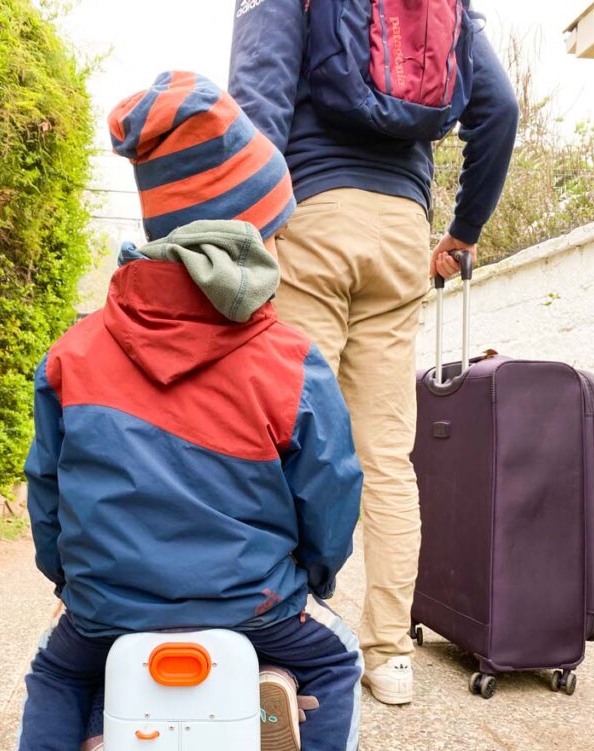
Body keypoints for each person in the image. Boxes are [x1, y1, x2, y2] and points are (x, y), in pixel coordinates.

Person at [0, 72, 402, 751]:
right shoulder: (290, 358)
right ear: (255, 234)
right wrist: (314, 577)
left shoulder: (74, 353)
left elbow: (46, 493)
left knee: (54, 671)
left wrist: (71, 583)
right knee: (332, 657)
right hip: (254, 603)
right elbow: (332, 493)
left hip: (109, 605)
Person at [229, 0, 519, 705]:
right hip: (400, 230)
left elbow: (256, 93)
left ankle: (277, 634)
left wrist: (253, 223)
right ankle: (388, 655)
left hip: (309, 217)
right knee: (388, 455)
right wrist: (465, 229)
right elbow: (501, 108)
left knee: (282, 435)